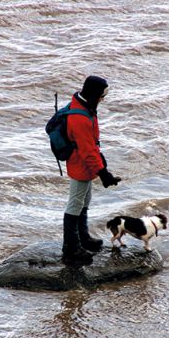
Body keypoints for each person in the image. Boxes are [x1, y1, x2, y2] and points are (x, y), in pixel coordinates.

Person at [62, 75, 121, 263]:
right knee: (75, 203)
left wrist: (101, 166)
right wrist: (103, 173)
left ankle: (83, 238)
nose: (103, 99)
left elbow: (91, 147)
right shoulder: (80, 118)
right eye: (102, 95)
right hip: (80, 165)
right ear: (94, 94)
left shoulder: (86, 106)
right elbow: (87, 151)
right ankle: (71, 248)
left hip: (85, 165)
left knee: (85, 200)